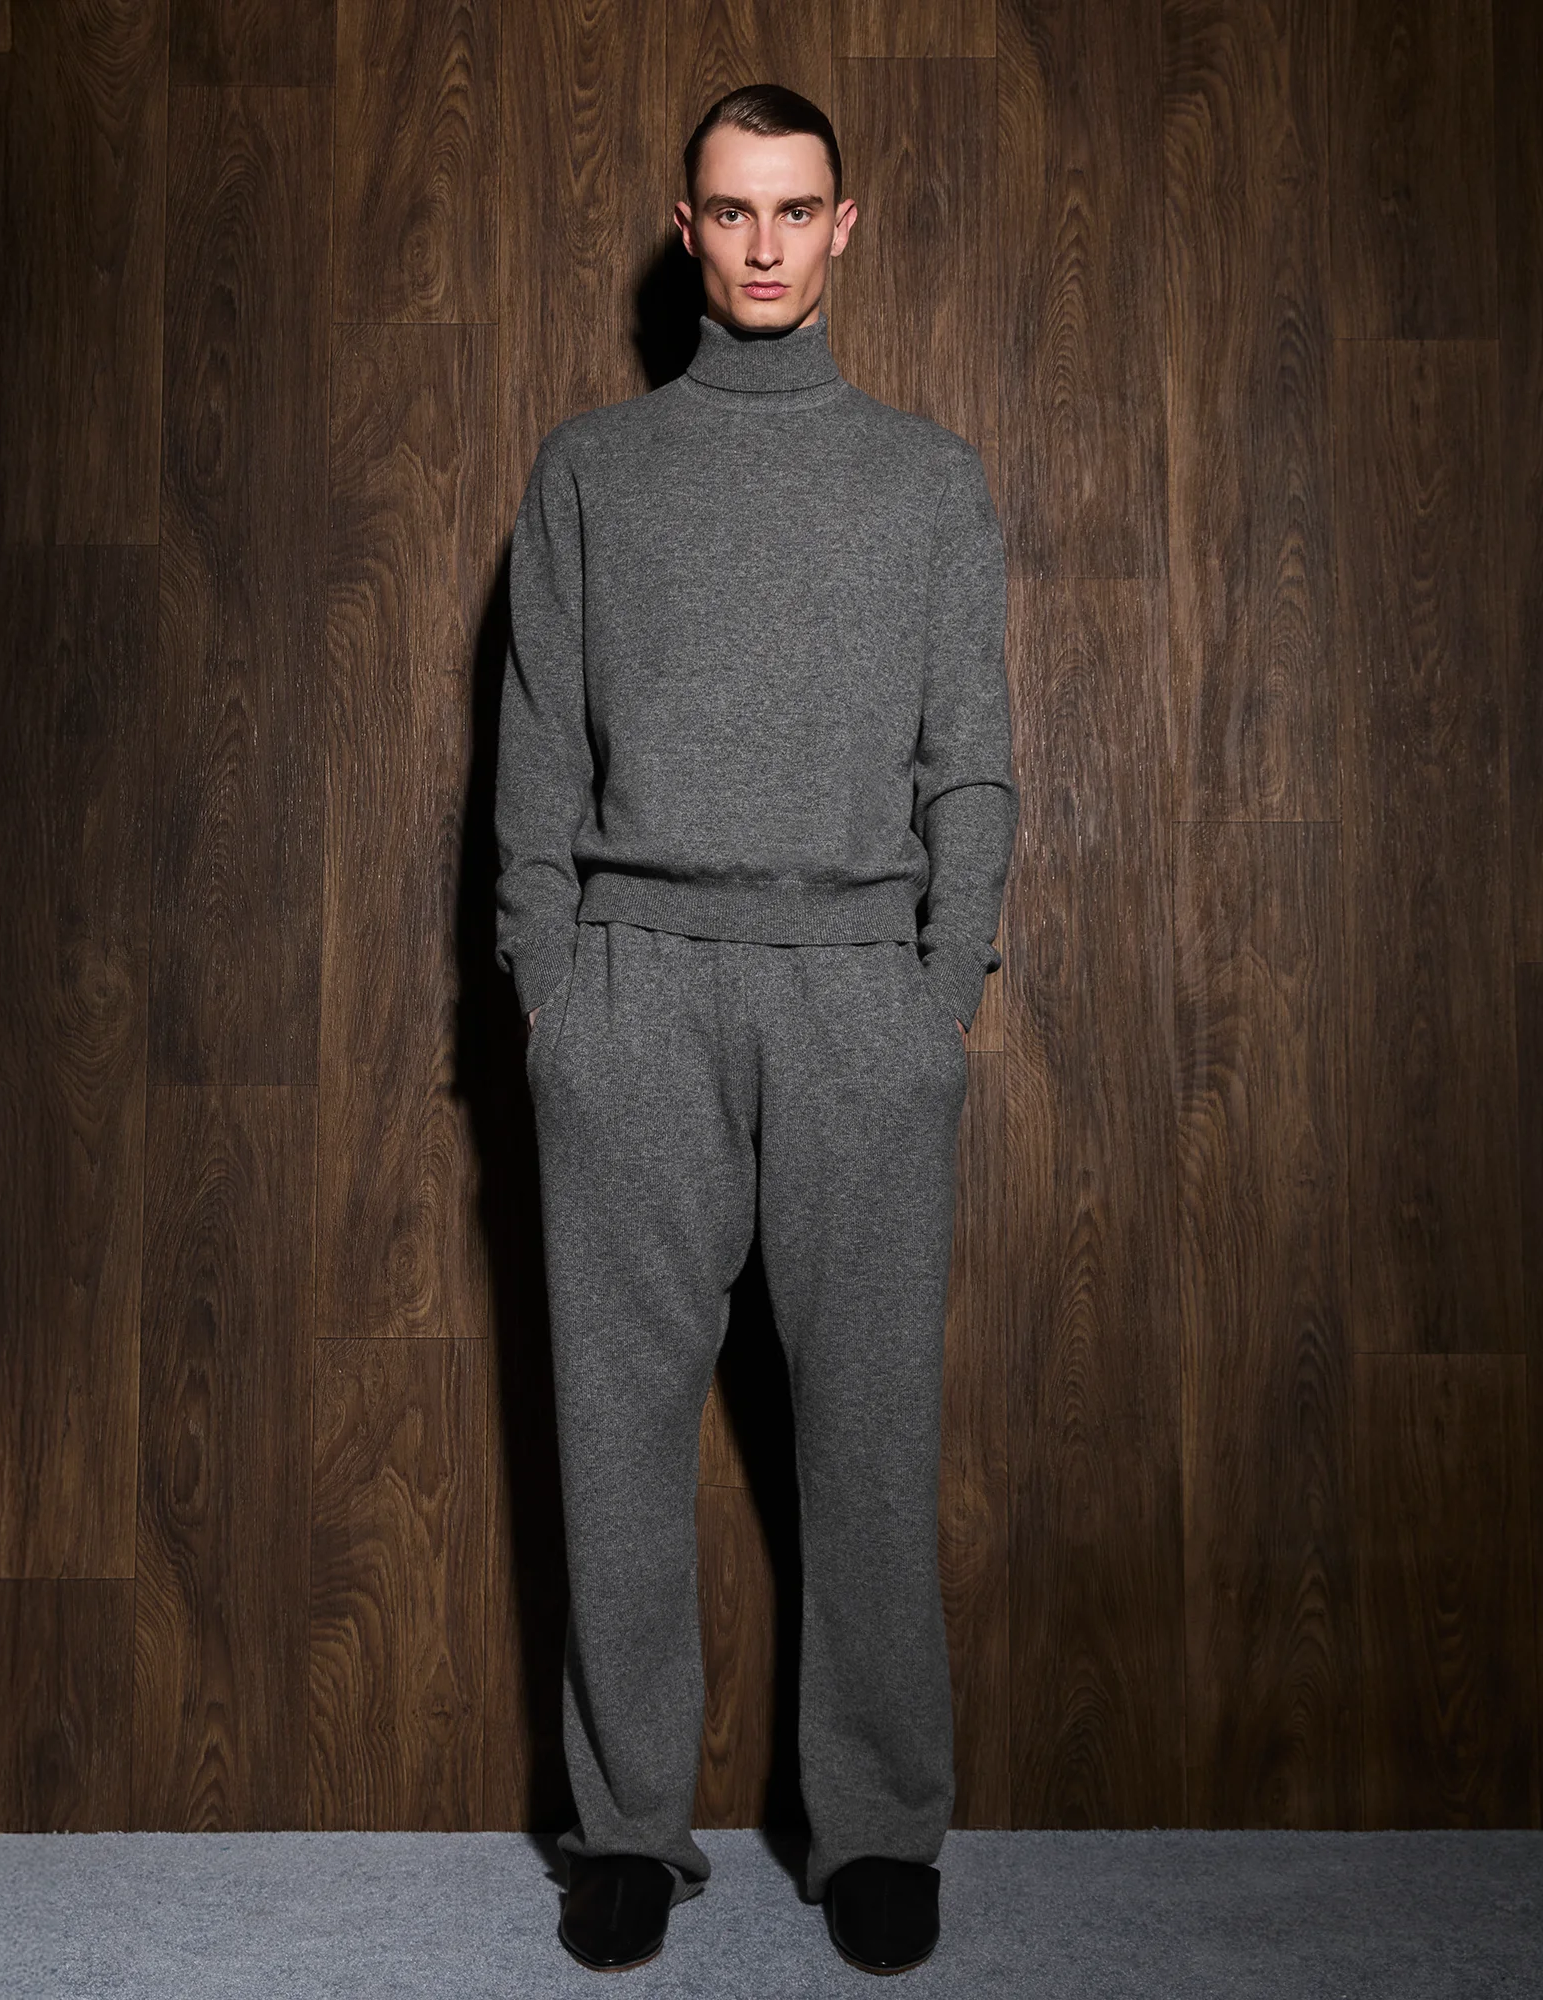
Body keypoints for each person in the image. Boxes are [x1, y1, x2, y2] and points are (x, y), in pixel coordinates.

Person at [494, 82, 1017, 1977]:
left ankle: (876, 1827)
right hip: (633, 987)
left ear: (844, 227)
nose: (767, 243)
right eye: (733, 211)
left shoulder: (928, 480)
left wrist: (937, 997)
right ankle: (629, 1829)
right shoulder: (590, 472)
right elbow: (535, 758)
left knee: (868, 1434)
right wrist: (554, 995)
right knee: (615, 1432)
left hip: (859, 997)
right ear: (689, 229)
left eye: (798, 210)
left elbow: (973, 765)